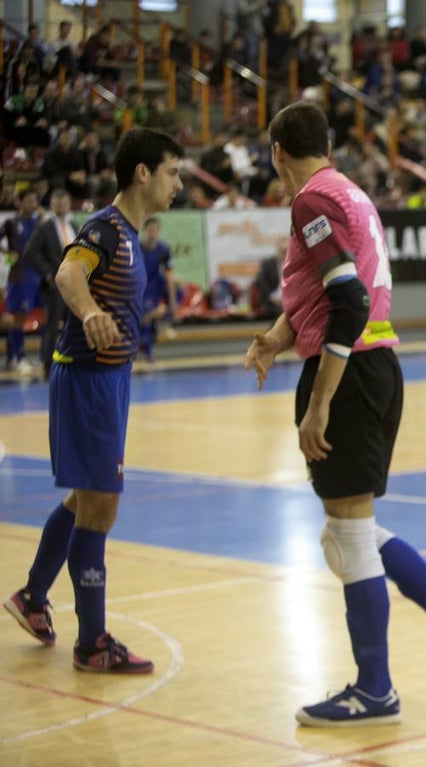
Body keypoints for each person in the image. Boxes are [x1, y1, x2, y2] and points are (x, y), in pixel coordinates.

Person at [241, 101, 426, 727]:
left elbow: (346, 303)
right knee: (346, 533)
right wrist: (276, 336)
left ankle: (376, 690)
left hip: (350, 373)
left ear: (276, 152)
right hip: (377, 367)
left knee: (348, 536)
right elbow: (330, 291)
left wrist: (318, 403)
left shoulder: (310, 202)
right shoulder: (349, 192)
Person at [3, 128, 185, 672]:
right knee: (101, 505)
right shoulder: (104, 230)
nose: (178, 184)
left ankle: (33, 597)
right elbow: (66, 273)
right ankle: (93, 644)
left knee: (86, 500)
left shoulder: (129, 235)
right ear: (143, 173)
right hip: (88, 380)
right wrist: (88, 313)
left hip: (107, 379)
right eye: (173, 172)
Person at [22, 188, 75, 378]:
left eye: (64, 201)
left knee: (74, 324)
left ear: (69, 203)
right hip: (55, 285)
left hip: (74, 284)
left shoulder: (73, 225)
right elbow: (29, 252)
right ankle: (48, 366)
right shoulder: (45, 227)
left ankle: (72, 360)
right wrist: (47, 273)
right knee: (52, 326)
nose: (60, 204)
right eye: (57, 201)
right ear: (51, 204)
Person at [2, 188, 42, 375]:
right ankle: (14, 358)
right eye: (29, 200)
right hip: (18, 276)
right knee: (16, 318)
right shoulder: (11, 223)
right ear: (20, 202)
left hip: (34, 276)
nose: (33, 204)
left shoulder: (38, 223)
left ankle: (20, 356)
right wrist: (6, 253)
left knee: (25, 317)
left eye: (35, 201)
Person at [138, 216, 177, 364]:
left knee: (178, 286)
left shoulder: (164, 249)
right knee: (146, 314)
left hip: (155, 284)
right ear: (144, 231)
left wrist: (172, 301)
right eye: (149, 230)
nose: (152, 233)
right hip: (141, 284)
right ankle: (146, 350)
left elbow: (169, 274)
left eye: (155, 230)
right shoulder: (137, 248)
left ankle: (164, 318)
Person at [251, 236, 287, 318]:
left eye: (286, 251)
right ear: (277, 250)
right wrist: (272, 297)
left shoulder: (294, 264)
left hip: (289, 300)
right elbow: (259, 281)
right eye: (282, 251)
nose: (284, 254)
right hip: (271, 301)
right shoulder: (268, 264)